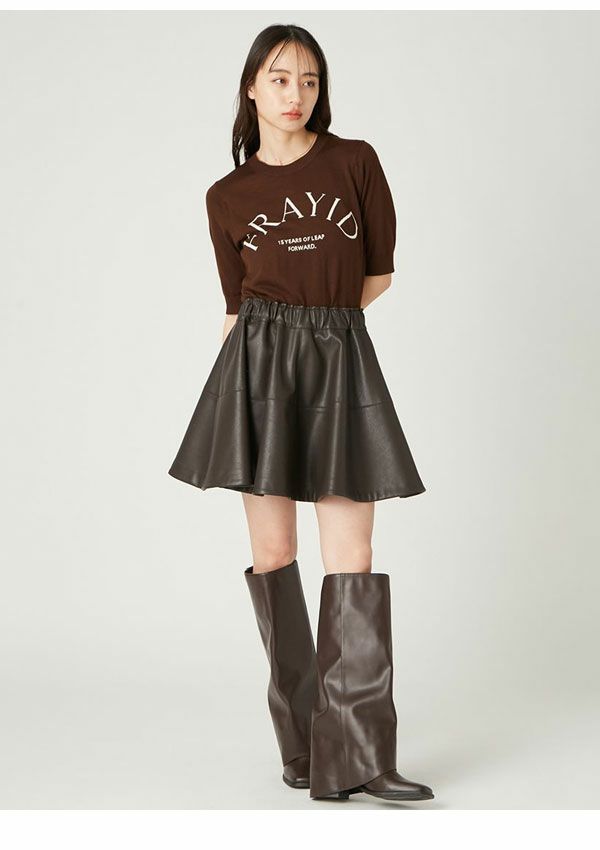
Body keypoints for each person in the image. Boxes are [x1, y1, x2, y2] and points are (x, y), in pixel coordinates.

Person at [168, 23, 434, 803]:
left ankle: (359, 753)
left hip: (337, 356)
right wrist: (238, 394)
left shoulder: (354, 161)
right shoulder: (227, 197)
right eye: (280, 79)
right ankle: (304, 744)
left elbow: (378, 273)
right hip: (256, 369)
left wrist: (320, 332)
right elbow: (235, 305)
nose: (296, 94)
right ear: (251, 88)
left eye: (309, 80)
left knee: (353, 552)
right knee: (275, 550)